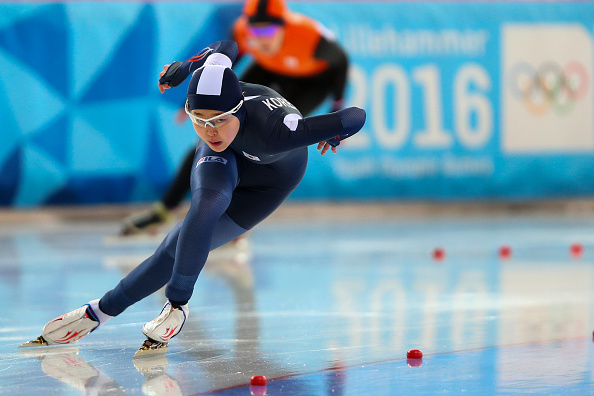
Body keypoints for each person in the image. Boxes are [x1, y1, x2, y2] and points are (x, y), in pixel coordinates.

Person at [21, 40, 365, 356]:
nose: (210, 131)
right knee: (193, 222)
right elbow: (226, 46)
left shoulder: (280, 131)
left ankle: (174, 303)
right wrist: (182, 69)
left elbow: (355, 115)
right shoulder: (214, 86)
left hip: (270, 182)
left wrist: (336, 132)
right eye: (199, 120)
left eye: (219, 120)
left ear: (239, 109)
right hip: (227, 160)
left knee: (182, 245)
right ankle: (102, 311)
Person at [121, 0, 349, 236]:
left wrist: (337, 106)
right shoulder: (241, 30)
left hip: (312, 81)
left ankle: (236, 220)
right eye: (255, 30)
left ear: (285, 27)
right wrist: (200, 103)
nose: (261, 38)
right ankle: (165, 209)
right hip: (268, 68)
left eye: (269, 30)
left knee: (261, 139)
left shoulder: (308, 37)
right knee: (211, 141)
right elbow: (226, 62)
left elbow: (340, 62)